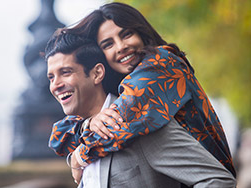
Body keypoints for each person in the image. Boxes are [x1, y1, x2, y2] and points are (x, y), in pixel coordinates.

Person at [46, 31, 236, 187]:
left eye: (65, 72)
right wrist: (77, 157)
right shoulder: (83, 138)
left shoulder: (142, 125)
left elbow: (218, 181)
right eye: (51, 78)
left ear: (97, 73)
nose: (56, 85)